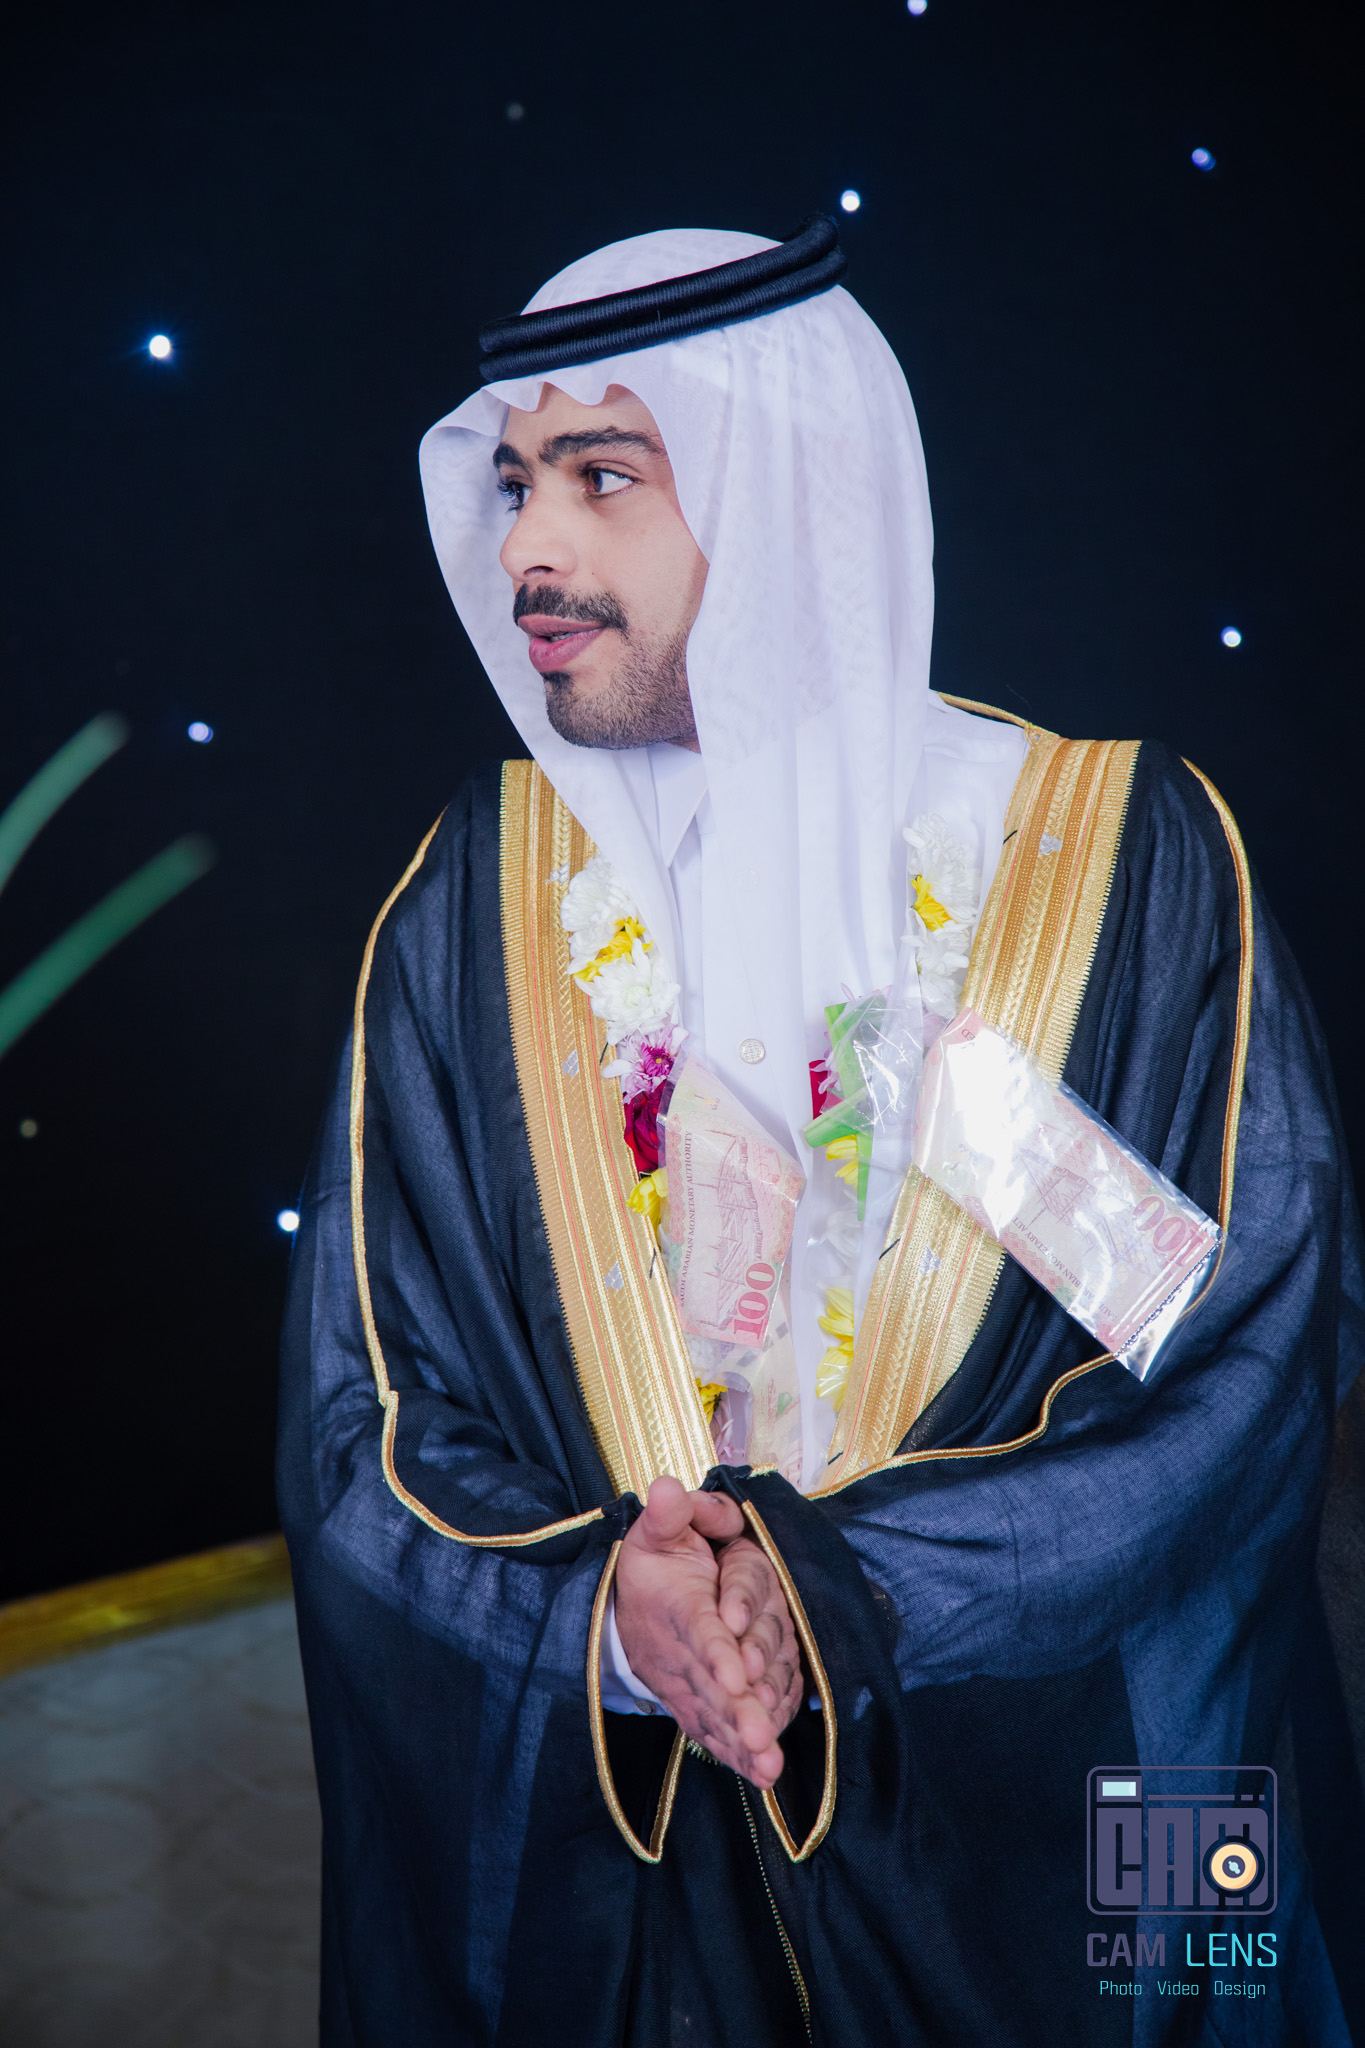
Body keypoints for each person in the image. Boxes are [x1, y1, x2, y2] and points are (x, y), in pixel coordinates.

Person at [277, 220, 1364, 2045]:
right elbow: (361, 1418)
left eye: (602, 477)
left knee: (1179, 1968)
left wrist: (837, 1601)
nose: (527, 548)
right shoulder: (473, 902)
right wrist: (609, 1625)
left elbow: (1236, 1369)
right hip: (645, 1842)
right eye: (516, 483)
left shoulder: (1114, 856)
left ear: (793, 498)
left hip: (1051, 1820)